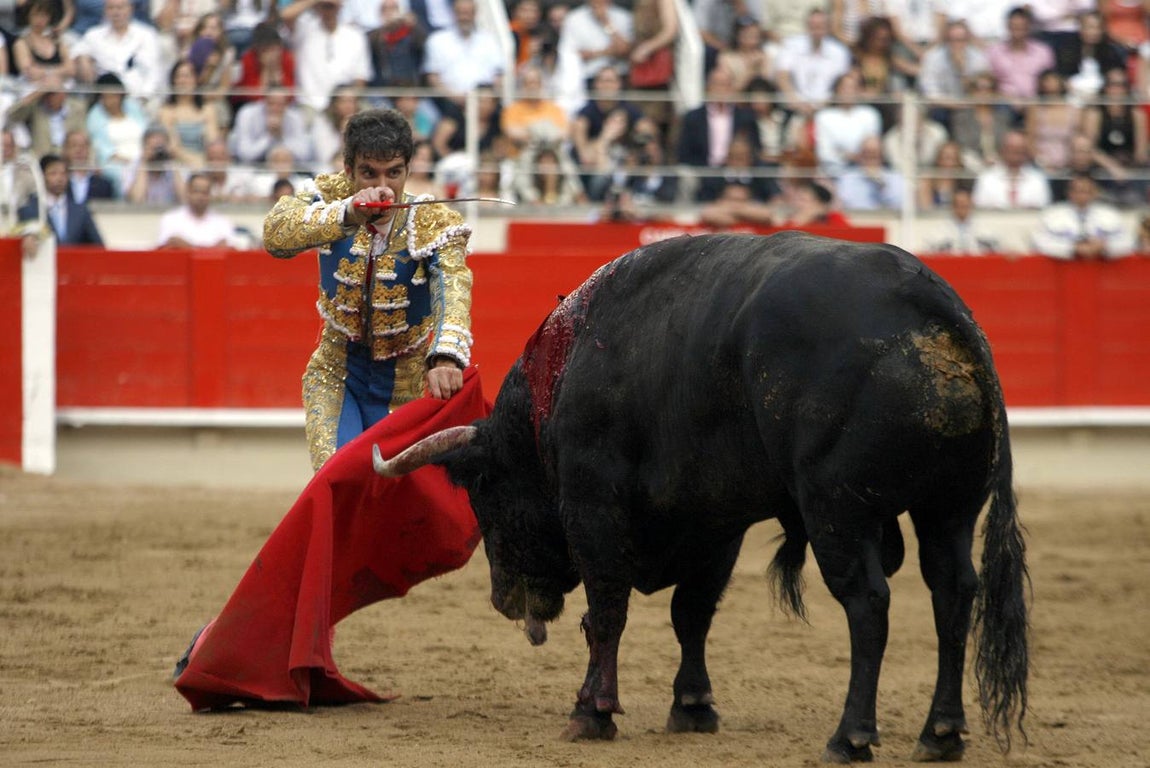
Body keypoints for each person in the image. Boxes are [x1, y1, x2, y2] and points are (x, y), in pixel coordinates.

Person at [262, 107, 474, 470]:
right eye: (369, 173)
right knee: (338, 476)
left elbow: (453, 285)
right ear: (348, 170)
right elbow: (275, 235)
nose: (383, 186)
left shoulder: (434, 220)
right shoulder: (327, 196)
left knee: (395, 495)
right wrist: (348, 213)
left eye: (394, 173)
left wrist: (446, 356)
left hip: (405, 381)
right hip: (336, 372)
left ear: (408, 169)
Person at [676, 63, 760, 201]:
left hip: (738, 173)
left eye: (725, 84)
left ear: (732, 88)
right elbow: (683, 154)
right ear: (708, 87)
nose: (721, 89)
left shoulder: (746, 117)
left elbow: (755, 149)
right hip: (705, 171)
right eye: (717, 84)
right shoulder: (693, 118)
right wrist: (707, 171)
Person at [281, 0, 372, 121]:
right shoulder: (304, 29)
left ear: (340, 6)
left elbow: (361, 77)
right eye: (325, 6)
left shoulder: (355, 36)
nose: (328, 10)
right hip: (309, 104)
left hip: (344, 104)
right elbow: (286, 15)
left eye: (331, 6)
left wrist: (349, 104)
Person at [72, 0, 164, 105]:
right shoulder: (94, 35)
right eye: (111, 8)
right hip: (105, 100)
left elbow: (154, 71)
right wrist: (83, 59)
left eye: (120, 8)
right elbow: (77, 52)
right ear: (105, 11)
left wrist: (144, 97)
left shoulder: (146, 35)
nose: (116, 12)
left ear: (130, 9)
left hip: (139, 97)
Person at [1031, 172, 1136, 260]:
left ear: (1095, 193)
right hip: (1063, 272)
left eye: (1086, 191)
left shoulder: (1110, 214)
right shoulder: (1052, 214)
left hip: (1103, 273)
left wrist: (1105, 246)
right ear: (1069, 192)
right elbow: (1039, 242)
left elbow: (1128, 242)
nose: (1082, 195)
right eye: (1077, 191)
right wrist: (1072, 248)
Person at [17, 153, 105, 245]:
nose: (59, 178)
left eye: (63, 174)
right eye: (53, 173)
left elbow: (98, 246)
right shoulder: (29, 210)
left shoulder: (80, 211)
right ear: (42, 176)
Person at [972, 129, 1052, 209]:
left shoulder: (1037, 179)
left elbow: (1043, 208)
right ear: (1003, 150)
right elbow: (980, 208)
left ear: (1025, 152)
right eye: (1011, 150)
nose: (1015, 156)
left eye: (1019, 151)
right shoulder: (986, 178)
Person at [156, 171, 238, 248]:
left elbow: (229, 248)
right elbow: (165, 247)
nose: (200, 197)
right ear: (187, 192)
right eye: (196, 191)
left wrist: (188, 247)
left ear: (210, 194)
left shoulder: (223, 222)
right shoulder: (170, 219)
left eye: (205, 192)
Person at [834, 134, 905, 210]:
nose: (870, 156)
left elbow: (900, 205)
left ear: (882, 155)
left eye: (874, 153)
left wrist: (883, 187)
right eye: (866, 152)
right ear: (860, 155)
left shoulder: (896, 178)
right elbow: (843, 206)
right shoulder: (847, 179)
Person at [927, 186, 1000, 255]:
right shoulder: (941, 229)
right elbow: (931, 249)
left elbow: (996, 247)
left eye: (964, 205)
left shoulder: (983, 227)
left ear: (970, 204)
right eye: (958, 205)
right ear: (953, 206)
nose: (962, 208)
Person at [62, 128, 116, 203]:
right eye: (74, 146)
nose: (79, 150)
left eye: (83, 146)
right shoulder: (59, 182)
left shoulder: (104, 185)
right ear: (65, 150)